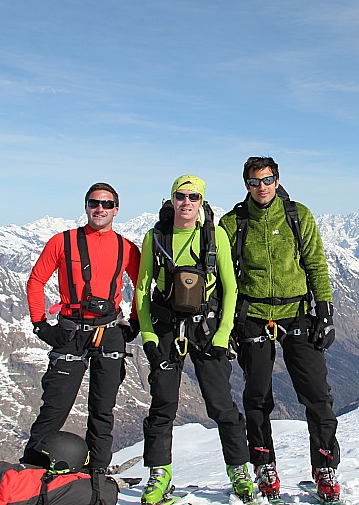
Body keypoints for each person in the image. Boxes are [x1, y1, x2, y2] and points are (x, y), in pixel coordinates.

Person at [219, 157, 341, 502]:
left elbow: (315, 263)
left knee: (317, 395)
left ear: (277, 179)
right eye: (255, 181)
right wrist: (225, 323)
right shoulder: (233, 223)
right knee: (257, 397)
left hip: (298, 312)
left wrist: (325, 311)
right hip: (253, 314)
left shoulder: (298, 215)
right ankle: (264, 465)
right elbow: (221, 276)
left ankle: (325, 466)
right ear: (246, 184)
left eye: (268, 180)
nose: (262, 187)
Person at [136, 175, 253, 504]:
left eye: (194, 197)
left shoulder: (215, 237)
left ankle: (239, 470)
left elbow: (230, 288)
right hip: (166, 328)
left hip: (208, 329)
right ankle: (160, 474)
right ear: (171, 199)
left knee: (221, 405)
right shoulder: (156, 237)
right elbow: (143, 289)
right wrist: (148, 335)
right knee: (163, 405)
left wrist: (223, 334)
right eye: (181, 196)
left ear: (202, 201)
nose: (186, 203)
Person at [22, 182, 141, 475]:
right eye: (94, 203)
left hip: (109, 331)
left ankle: (96, 475)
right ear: (86, 206)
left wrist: (134, 323)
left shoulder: (126, 248)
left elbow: (143, 285)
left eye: (106, 204)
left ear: (116, 209)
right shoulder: (61, 242)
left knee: (102, 411)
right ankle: (30, 471)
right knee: (54, 409)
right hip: (71, 332)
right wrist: (40, 325)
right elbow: (36, 280)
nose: (100, 208)